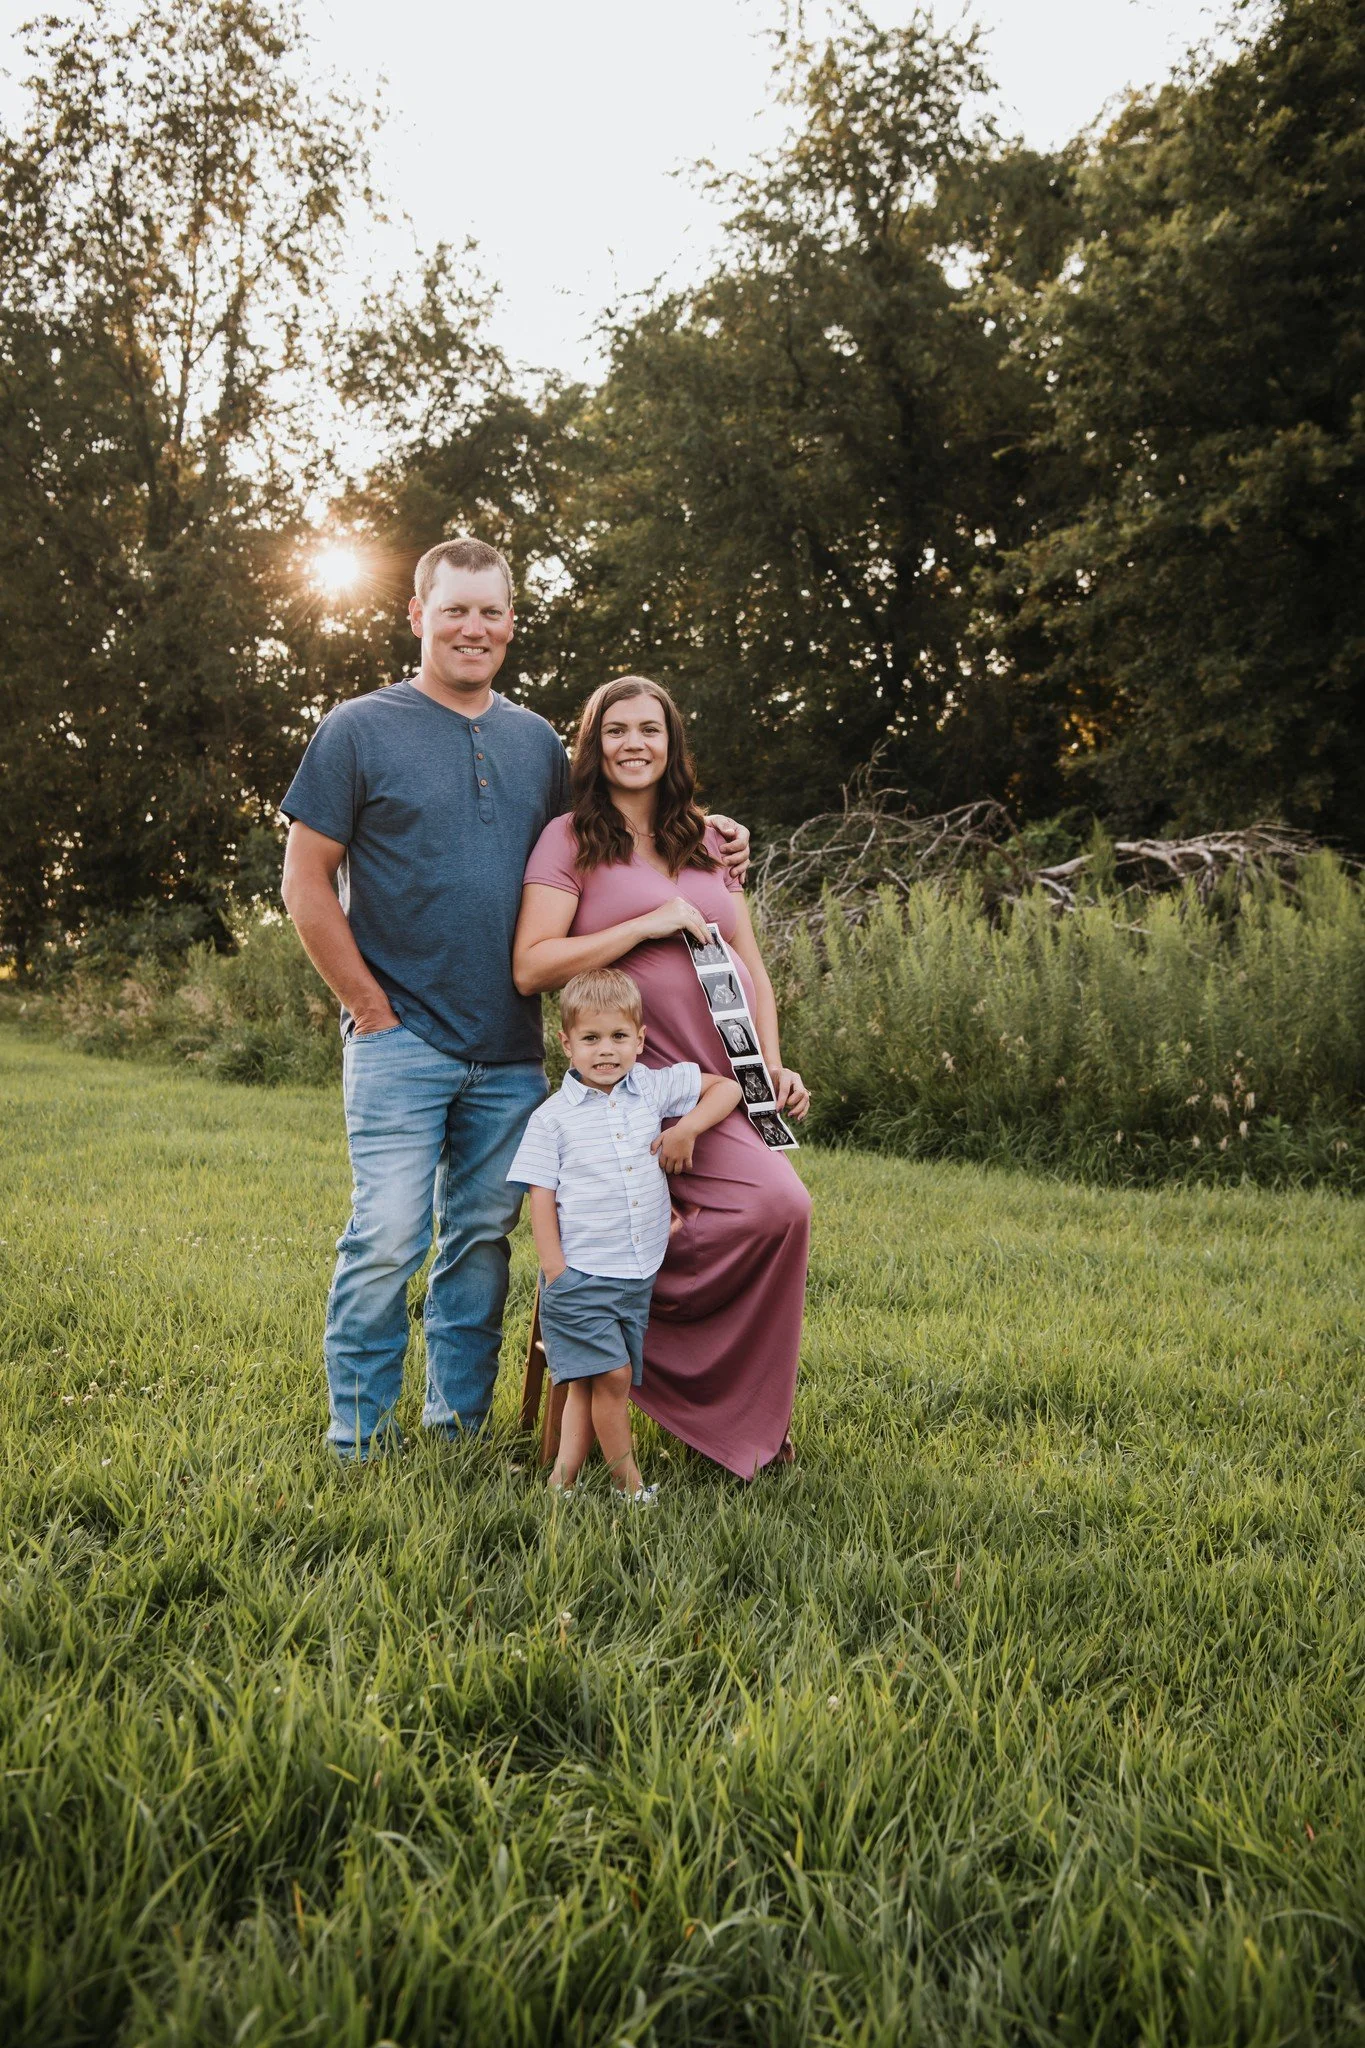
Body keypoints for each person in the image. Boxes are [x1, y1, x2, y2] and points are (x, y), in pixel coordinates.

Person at [279, 540, 750, 1458]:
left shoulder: (535, 742)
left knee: (482, 1243)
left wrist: (717, 830)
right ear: (417, 616)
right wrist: (371, 1010)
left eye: (491, 612)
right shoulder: (356, 730)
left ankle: (454, 1429)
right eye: (455, 609)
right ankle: (359, 1440)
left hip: (506, 1049)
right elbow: (305, 885)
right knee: (384, 1239)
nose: (473, 627)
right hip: (398, 1042)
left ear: (509, 624)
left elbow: (624, 815)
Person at [512, 674, 812, 1479]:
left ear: (673, 743)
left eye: (650, 729)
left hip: (723, 1083)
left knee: (778, 1216)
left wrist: (771, 1065)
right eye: (616, 730)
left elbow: (748, 963)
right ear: (593, 744)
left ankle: (740, 1420)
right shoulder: (569, 838)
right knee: (778, 1204)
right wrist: (644, 923)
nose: (633, 743)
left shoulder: (710, 840)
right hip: (636, 1085)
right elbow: (530, 966)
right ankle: (611, 1316)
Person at [507, 967, 741, 1500]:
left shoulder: (651, 1090)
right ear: (567, 1044)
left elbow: (726, 1088)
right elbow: (540, 1197)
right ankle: (629, 1487)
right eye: (590, 1039)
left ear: (641, 1039)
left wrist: (685, 1128)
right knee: (613, 1379)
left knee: (591, 1385)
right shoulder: (553, 1119)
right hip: (580, 1276)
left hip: (634, 1274)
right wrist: (556, 1272)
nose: (605, 1050)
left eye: (618, 1037)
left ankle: (561, 1481)